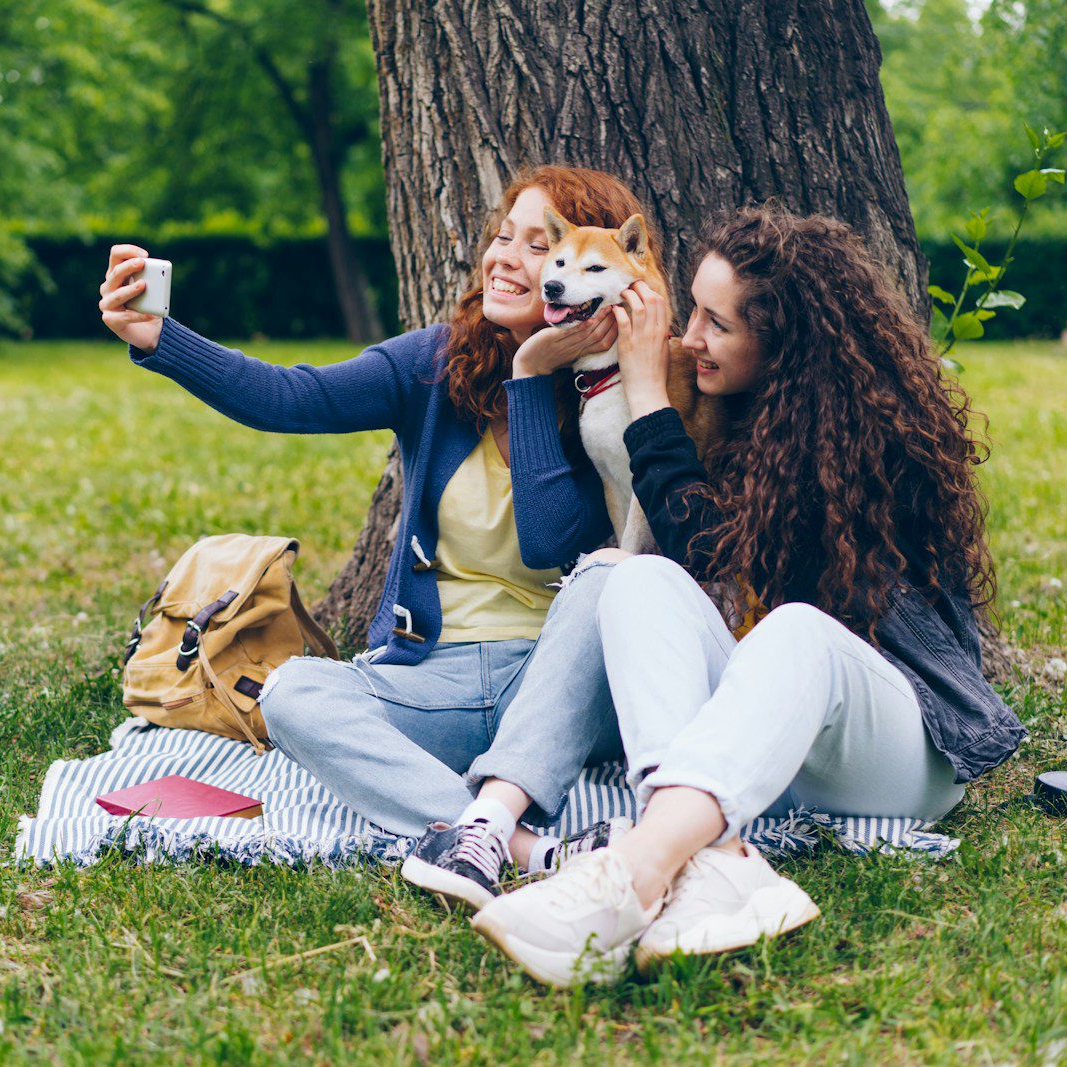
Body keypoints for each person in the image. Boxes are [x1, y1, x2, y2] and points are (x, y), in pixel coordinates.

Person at [469, 206, 1028, 987]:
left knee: (797, 627)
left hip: (903, 745)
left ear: (786, 346)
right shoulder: (725, 409)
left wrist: (645, 396)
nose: (688, 335)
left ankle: (634, 871)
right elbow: (685, 565)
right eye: (691, 308)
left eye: (716, 324)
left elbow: (720, 555)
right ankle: (714, 864)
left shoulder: (861, 441)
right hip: (769, 749)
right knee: (635, 577)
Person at [98, 166, 659, 909]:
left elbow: (551, 540)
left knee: (608, 574)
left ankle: (486, 830)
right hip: (435, 680)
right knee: (294, 690)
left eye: (541, 244)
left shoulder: (618, 393)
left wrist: (531, 374)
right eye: (505, 237)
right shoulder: (435, 364)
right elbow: (289, 395)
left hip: (555, 685)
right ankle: (516, 844)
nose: (509, 258)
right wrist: (159, 338)